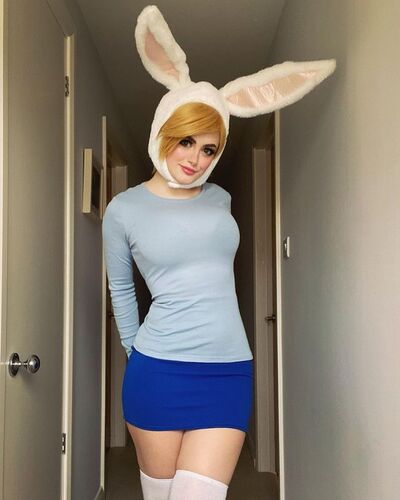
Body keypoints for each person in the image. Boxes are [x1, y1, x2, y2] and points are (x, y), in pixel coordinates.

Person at [102, 6, 336, 500]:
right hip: (156, 371)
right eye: (187, 141)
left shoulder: (219, 199)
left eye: (209, 149)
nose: (195, 159)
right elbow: (120, 287)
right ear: (164, 130)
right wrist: (135, 352)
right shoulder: (123, 210)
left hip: (228, 369)